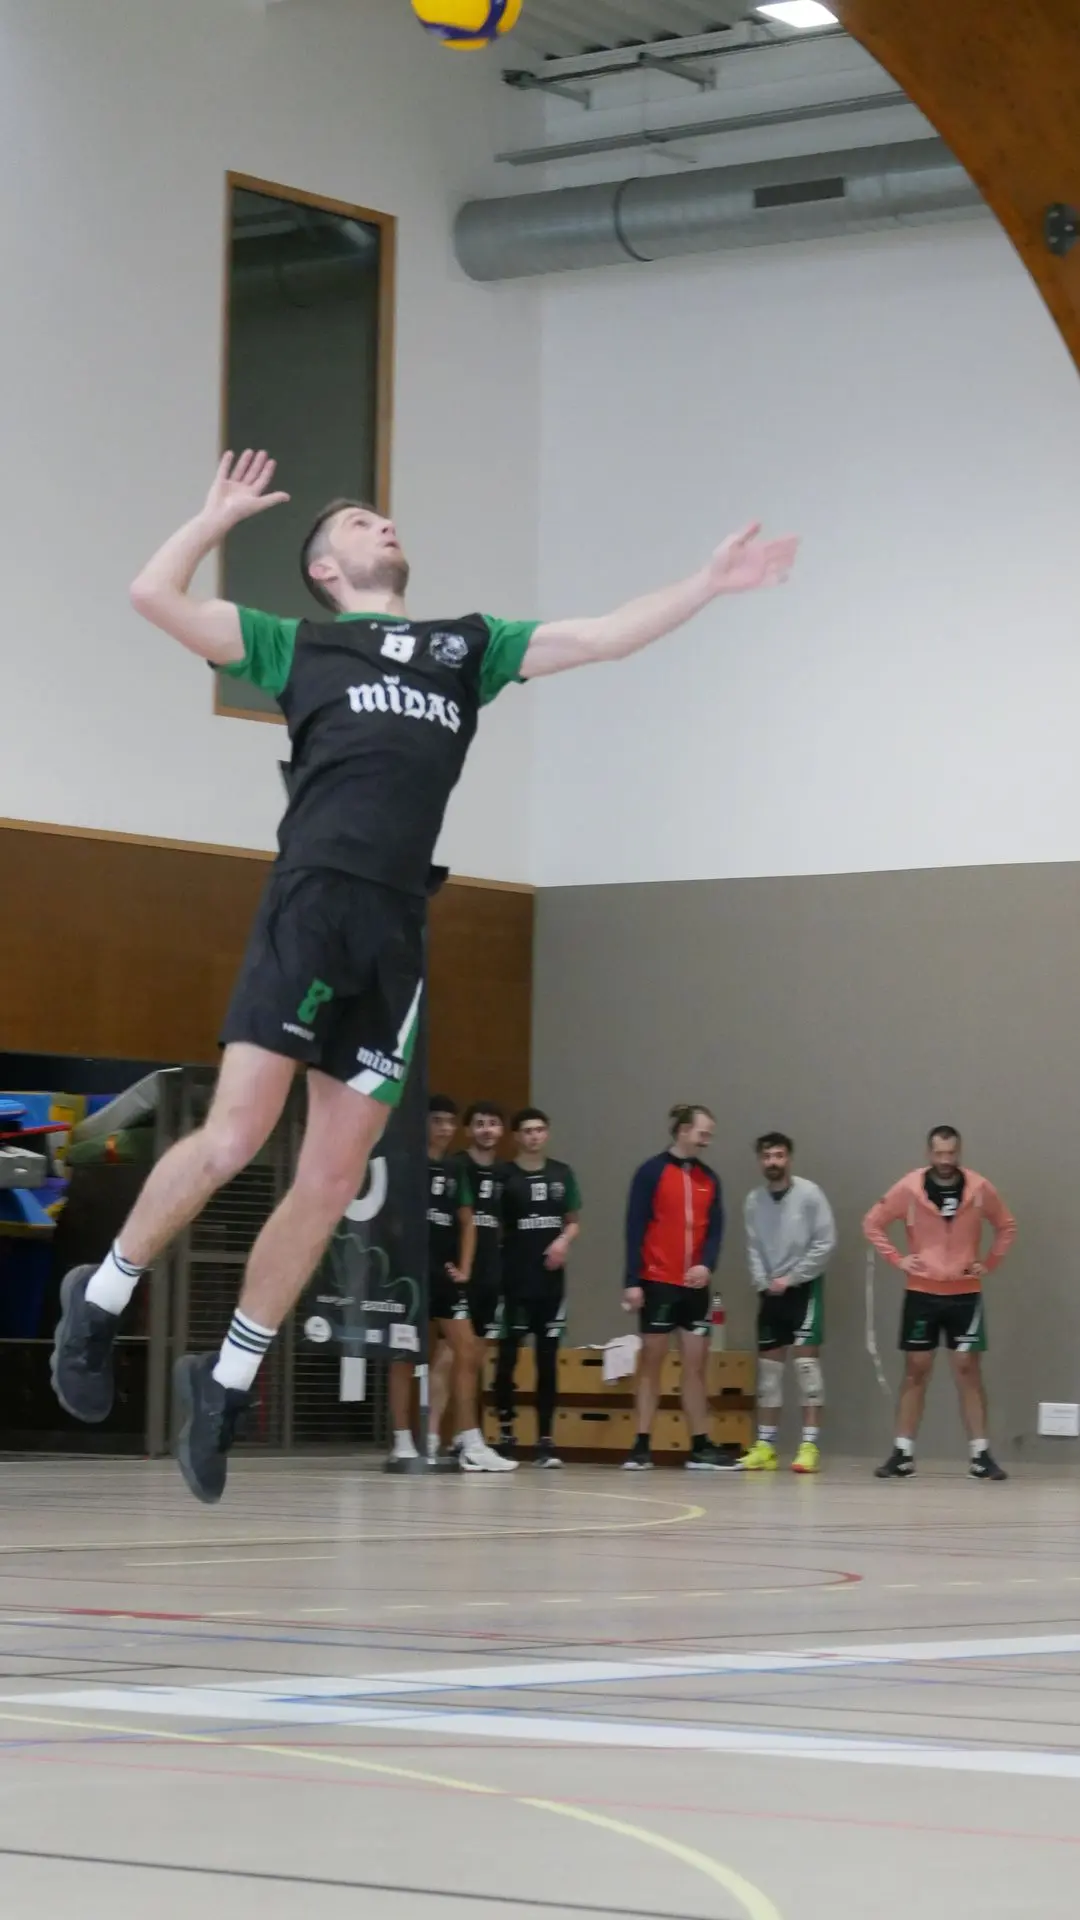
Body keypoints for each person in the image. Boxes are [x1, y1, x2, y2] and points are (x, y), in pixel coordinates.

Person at [49, 449, 798, 1503]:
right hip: (313, 904)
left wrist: (708, 583)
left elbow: (602, 635)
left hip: (396, 929)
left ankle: (223, 1382)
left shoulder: (465, 648)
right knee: (235, 1137)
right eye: (359, 523)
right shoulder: (300, 643)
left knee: (331, 1178)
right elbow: (151, 595)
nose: (383, 524)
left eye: (384, 517)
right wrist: (213, 518)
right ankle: (100, 1298)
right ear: (324, 568)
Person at [863, 1125, 1017, 1482]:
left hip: (965, 1294)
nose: (945, 1160)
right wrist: (899, 1260)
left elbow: (1006, 1225)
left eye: (951, 1153)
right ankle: (902, 1454)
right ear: (928, 1153)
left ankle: (981, 1455)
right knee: (916, 1369)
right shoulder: (910, 1187)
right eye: (939, 1153)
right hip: (922, 1293)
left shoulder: (979, 1187)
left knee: (967, 1369)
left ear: (959, 1152)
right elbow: (873, 1223)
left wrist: (989, 1262)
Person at [622, 1105, 728, 1471]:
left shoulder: (709, 1178)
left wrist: (706, 1265)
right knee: (651, 1362)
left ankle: (700, 1445)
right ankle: (641, 1444)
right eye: (703, 1132)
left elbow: (715, 1230)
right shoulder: (651, 1172)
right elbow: (634, 1226)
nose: (707, 1139)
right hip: (657, 1281)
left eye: (710, 1134)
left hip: (694, 1286)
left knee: (696, 1365)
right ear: (683, 1130)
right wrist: (632, 1281)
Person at [425, 1097, 514, 1472]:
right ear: (468, 1129)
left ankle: (464, 1439)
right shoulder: (455, 1166)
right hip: (455, 1276)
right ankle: (430, 1436)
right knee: (449, 1354)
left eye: (493, 1123)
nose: (486, 1129)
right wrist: (462, 1267)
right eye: (479, 1123)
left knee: (473, 1356)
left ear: (502, 1130)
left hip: (490, 1276)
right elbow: (462, 1223)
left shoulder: (507, 1175)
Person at [738, 1132, 836, 1476]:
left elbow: (825, 1243)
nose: (773, 1162)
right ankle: (766, 1446)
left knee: (807, 1370)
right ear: (760, 1161)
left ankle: (809, 1446)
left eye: (779, 1156)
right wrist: (763, 1282)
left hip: (803, 1290)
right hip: (770, 1293)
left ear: (789, 1159)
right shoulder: (754, 1201)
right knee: (769, 1374)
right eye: (767, 1156)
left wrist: (792, 1277)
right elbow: (753, 1246)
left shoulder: (810, 1195)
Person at [494, 1109, 581, 1467]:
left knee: (548, 1362)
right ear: (516, 1136)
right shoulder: (504, 1175)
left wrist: (563, 1241)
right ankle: (506, 1435)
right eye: (527, 1130)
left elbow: (573, 1222)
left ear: (547, 1134)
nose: (534, 1136)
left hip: (550, 1286)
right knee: (507, 1360)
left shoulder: (562, 1173)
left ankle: (545, 1440)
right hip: (514, 1282)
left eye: (540, 1130)